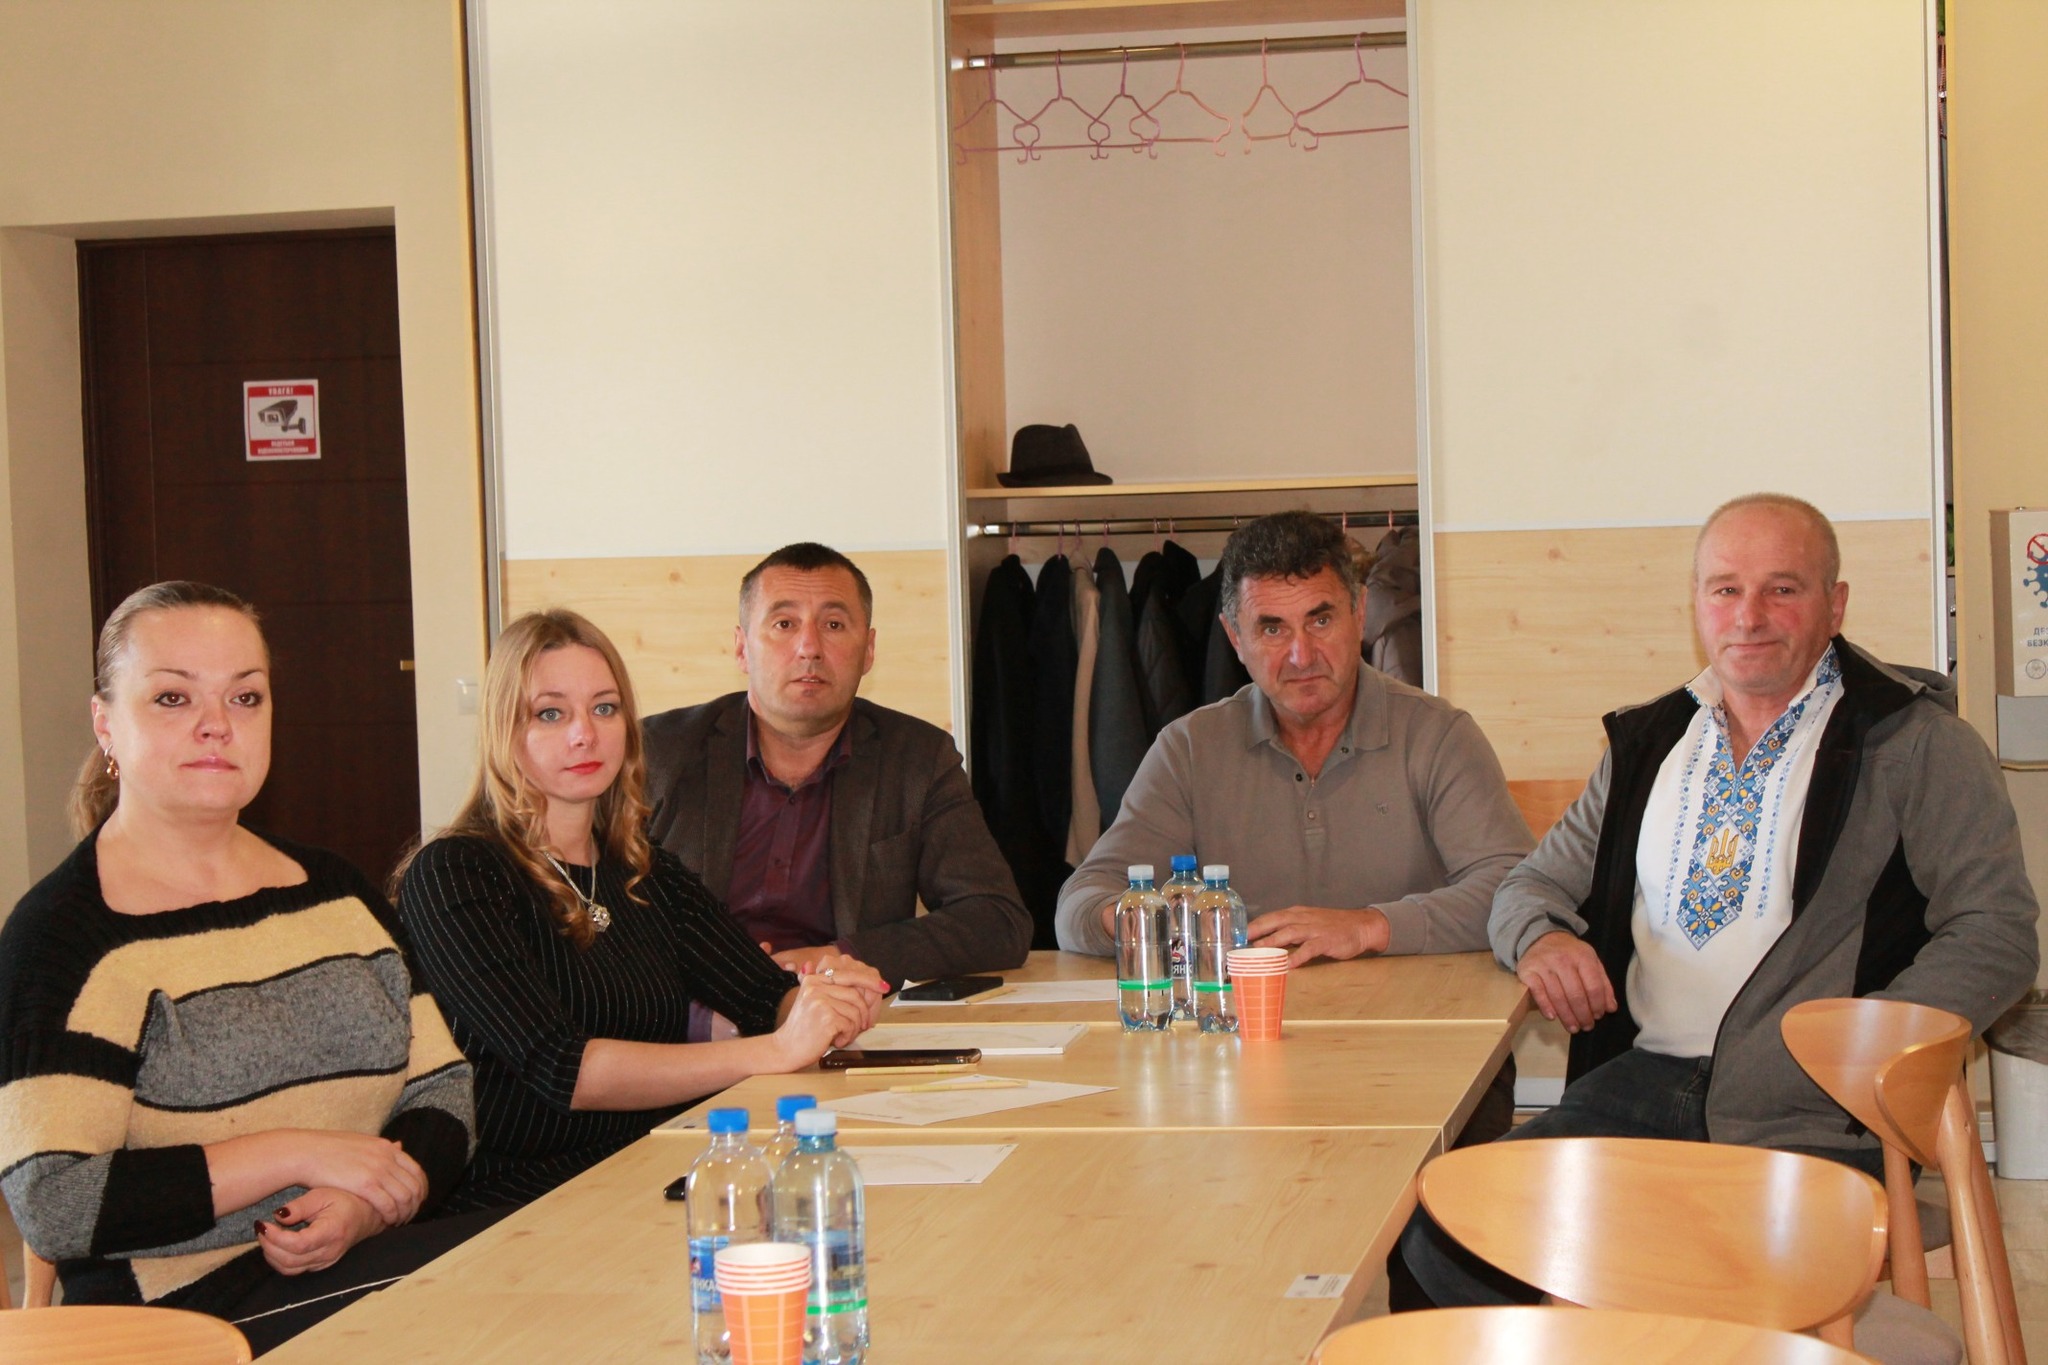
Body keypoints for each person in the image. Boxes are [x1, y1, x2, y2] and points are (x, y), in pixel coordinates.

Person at [1397, 493, 2041, 1310]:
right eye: (1726, 589)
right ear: (1697, 604)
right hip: (1643, 1086)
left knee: (1688, 1280)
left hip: (1809, 1115)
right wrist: (1541, 939)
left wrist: (1867, 1044)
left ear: (1835, 603)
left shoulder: (1915, 743)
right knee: (1443, 1235)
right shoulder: (1650, 742)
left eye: (1783, 588)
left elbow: (1996, 931)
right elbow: (1528, 884)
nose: (1750, 615)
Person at [0, 581, 481, 1355]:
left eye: (245, 696)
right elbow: (53, 1202)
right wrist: (296, 1152)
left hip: (367, 1259)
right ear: (105, 723)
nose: (217, 724)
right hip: (181, 1318)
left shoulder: (334, 892)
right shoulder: (65, 935)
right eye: (173, 697)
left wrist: (370, 1203)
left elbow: (444, 1087)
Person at [1052, 510, 1533, 1135]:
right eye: (1272, 628)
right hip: (1242, 1062)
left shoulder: (1439, 735)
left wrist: (1370, 926)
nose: (1302, 655)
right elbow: (1078, 905)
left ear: (1360, 614)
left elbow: (1512, 888)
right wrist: (1146, 918)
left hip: (1428, 1052)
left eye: (1321, 620)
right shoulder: (1189, 749)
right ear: (1235, 638)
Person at [397, 609, 887, 1212]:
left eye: (604, 709)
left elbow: (762, 996)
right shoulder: (455, 874)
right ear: (504, 730)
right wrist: (780, 1049)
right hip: (521, 1200)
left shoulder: (640, 867)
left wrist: (826, 1002)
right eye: (550, 714)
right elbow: (563, 1068)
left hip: (656, 1165)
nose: (585, 734)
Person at [642, 542, 1032, 988]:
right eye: (784, 624)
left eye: (833, 625)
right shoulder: (657, 753)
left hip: (845, 1009)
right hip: (689, 1011)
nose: (809, 647)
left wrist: (840, 957)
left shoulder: (918, 759)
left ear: (868, 651)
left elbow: (997, 920)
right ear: (742, 648)